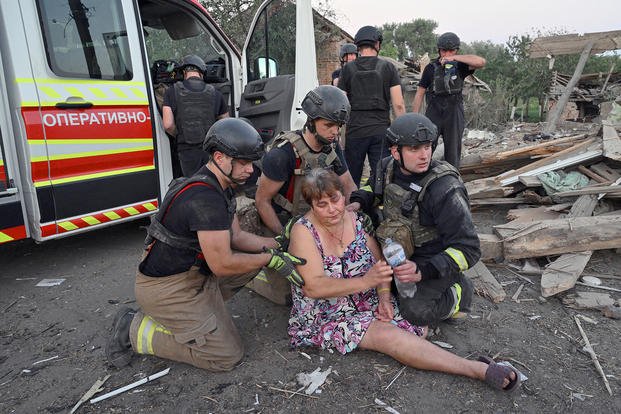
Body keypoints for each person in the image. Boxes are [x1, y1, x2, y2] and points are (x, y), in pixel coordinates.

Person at [288, 168, 520, 392]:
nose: (332, 209)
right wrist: (365, 282)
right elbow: (313, 287)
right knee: (387, 336)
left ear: (343, 195)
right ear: (311, 205)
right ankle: (475, 369)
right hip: (326, 311)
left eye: (335, 200)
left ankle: (456, 295)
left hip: (364, 298)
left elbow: (377, 262)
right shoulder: (304, 231)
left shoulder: (353, 218)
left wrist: (384, 297)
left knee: (418, 327)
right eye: (322, 205)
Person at [105, 118, 306, 372]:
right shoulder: (204, 199)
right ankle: (132, 328)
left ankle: (198, 317)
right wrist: (269, 258)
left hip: (195, 276)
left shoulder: (220, 184)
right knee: (226, 356)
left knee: (258, 255)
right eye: (243, 163)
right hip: (168, 289)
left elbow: (236, 238)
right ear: (220, 157)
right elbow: (222, 264)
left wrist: (278, 243)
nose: (251, 170)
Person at [349, 113, 480, 327]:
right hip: (395, 250)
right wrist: (359, 201)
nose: (424, 155)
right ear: (395, 152)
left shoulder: (445, 188)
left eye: (427, 147)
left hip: (432, 260)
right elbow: (371, 187)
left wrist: (423, 271)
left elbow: (469, 249)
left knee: (415, 312)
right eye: (414, 149)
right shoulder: (385, 167)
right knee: (366, 287)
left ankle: (460, 293)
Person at [255, 85, 357, 236]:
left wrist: (355, 214)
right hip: (288, 224)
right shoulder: (282, 154)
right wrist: (284, 237)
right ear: (311, 121)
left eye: (338, 126)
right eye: (329, 125)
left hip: (322, 222)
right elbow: (262, 201)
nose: (335, 132)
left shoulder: (332, 148)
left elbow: (348, 186)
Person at [338, 25, 406, 187]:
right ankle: (377, 209)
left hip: (355, 131)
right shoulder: (388, 68)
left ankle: (352, 208)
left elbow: (341, 104)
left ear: (358, 45)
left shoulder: (347, 69)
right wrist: (404, 133)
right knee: (380, 176)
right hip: (381, 132)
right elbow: (398, 105)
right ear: (377, 44)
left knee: (352, 178)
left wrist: (340, 135)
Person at [412, 32, 486, 168]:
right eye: (444, 50)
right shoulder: (430, 68)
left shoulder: (461, 66)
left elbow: (481, 62)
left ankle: (452, 181)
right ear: (439, 50)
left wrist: (454, 58)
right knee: (425, 147)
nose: (447, 53)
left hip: (454, 112)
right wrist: (415, 119)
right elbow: (419, 94)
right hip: (434, 112)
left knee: (453, 153)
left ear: (457, 50)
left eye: (451, 50)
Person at [163, 54, 229, 177]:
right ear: (202, 73)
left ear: (184, 73)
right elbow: (225, 123)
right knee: (211, 183)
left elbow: (168, 125)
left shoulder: (171, 91)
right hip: (210, 150)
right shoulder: (215, 93)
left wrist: (179, 134)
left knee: (193, 185)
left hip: (186, 151)